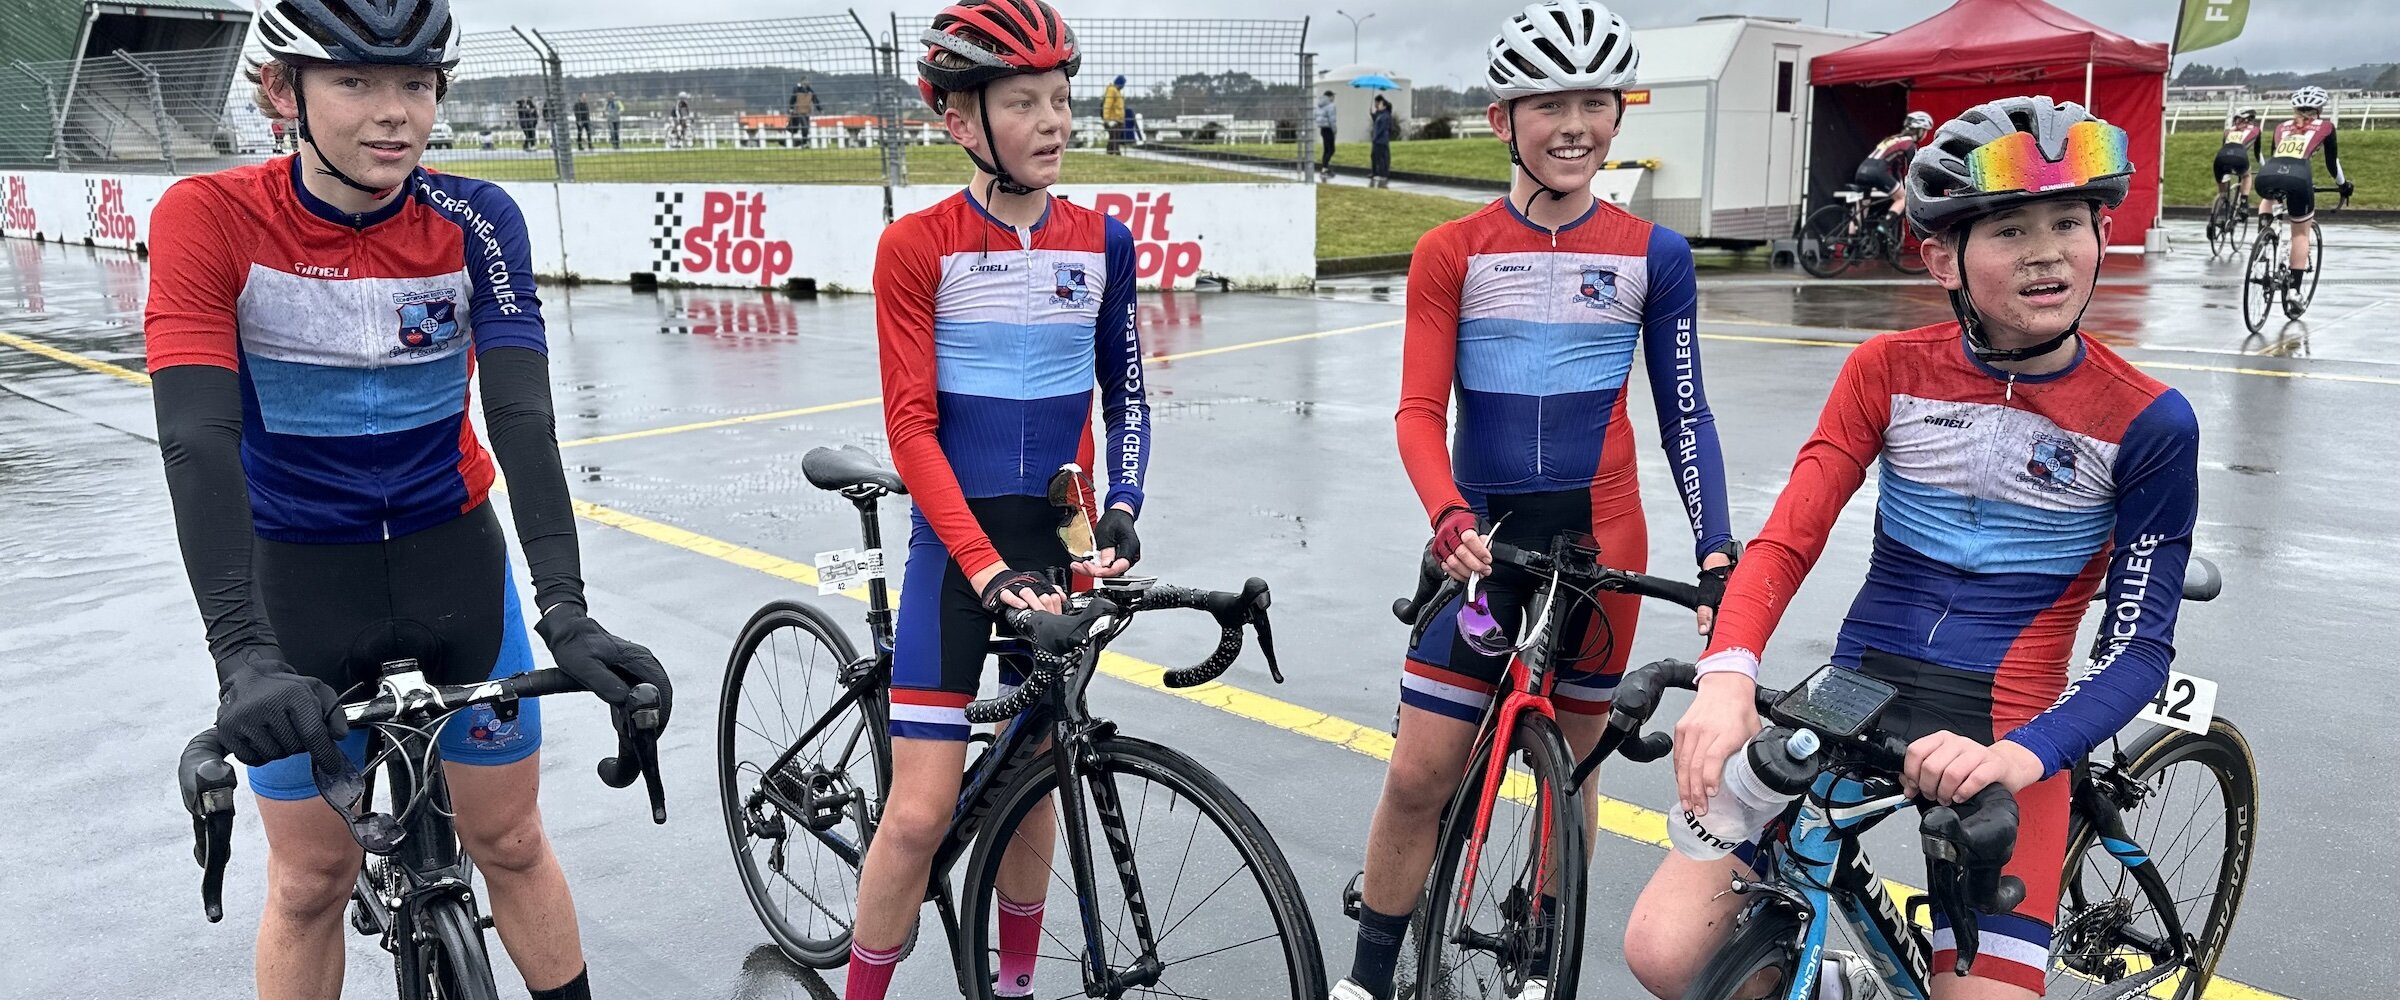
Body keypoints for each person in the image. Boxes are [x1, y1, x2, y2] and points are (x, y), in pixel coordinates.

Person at [144, 3, 674, 999]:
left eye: (417, 84)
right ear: (280, 92)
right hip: (298, 577)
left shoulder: (476, 217)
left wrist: (565, 607)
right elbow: (197, 440)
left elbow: (521, 416)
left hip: (453, 559)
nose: (394, 114)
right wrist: (241, 655)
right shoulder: (209, 217)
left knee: (512, 838)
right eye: (355, 83)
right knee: (309, 879)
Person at [1621, 96, 2199, 1000]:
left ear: (2102, 230)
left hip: (2009, 730)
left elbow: (2139, 650)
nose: (2046, 250)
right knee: (1666, 951)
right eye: (2008, 228)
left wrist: (2018, 759)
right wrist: (1730, 674)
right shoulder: (1886, 370)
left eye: (2068, 222)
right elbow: (1787, 539)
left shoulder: (2150, 420)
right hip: (1855, 693)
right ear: (1941, 257)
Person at [1331, 4, 1737, 999]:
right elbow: (1419, 411)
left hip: (1601, 539)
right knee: (1422, 774)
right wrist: (1447, 514)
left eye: (1596, 100)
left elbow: (1687, 419)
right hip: (1482, 539)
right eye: (1549, 101)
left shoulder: (1653, 254)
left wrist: (1720, 553)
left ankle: (1537, 961)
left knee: (1573, 771)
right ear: (1499, 118)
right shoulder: (1454, 251)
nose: (1576, 124)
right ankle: (1367, 978)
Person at [844, 2, 1150, 999]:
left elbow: (1128, 399)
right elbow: (912, 429)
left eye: (1061, 98)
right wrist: (982, 564)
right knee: (923, 810)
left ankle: (1012, 988)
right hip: (959, 550)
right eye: (1025, 102)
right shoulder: (917, 246)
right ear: (959, 119)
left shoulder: (1103, 243)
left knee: (1033, 789)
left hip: (1055, 539)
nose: (1054, 120)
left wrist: (1120, 512)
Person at [2255, 86, 2353, 289]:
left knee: (2270, 197)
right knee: (2300, 233)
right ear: (2320, 110)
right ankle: (2294, 293)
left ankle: (2264, 236)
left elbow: (2277, 156)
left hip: (2267, 176)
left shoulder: (2281, 127)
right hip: (2298, 178)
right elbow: (2332, 163)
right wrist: (2343, 186)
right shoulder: (2325, 126)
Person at [1855, 109, 1932, 217]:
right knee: (1902, 198)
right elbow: (1912, 170)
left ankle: (1852, 233)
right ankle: (1883, 228)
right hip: (1877, 172)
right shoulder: (1909, 144)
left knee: (1862, 206)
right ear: (1918, 130)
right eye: (1925, 131)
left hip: (1861, 170)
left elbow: (1895, 168)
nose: (1925, 134)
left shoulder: (1892, 139)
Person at [2213, 106, 2262, 205]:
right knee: (2247, 175)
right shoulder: (2255, 130)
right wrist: (2264, 166)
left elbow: (2224, 146)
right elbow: (2257, 153)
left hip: (2220, 158)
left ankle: (2221, 202)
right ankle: (2243, 202)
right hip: (2240, 158)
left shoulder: (2227, 131)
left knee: (2223, 189)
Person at [1368, 94, 1395, 188]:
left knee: (1382, 158)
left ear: (1383, 105)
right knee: (1376, 156)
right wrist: (1372, 114)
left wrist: (1375, 138)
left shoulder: (1385, 115)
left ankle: (1383, 175)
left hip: (1381, 140)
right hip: (1379, 140)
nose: (1377, 105)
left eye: (1379, 104)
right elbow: (1377, 122)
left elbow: (1381, 128)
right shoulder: (1381, 114)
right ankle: (1377, 173)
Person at [1315, 89, 1338, 179]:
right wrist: (1334, 130)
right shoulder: (1331, 106)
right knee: (1331, 150)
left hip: (1322, 129)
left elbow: (1315, 116)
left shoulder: (1320, 105)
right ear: (1329, 97)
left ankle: (1324, 168)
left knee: (1326, 150)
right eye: (1333, 96)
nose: (1334, 98)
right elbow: (1332, 120)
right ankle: (1324, 169)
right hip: (1328, 129)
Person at [787, 75, 815, 147]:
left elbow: (815, 98)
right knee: (804, 126)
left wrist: (820, 109)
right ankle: (803, 142)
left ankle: (804, 142)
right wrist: (791, 108)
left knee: (805, 127)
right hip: (799, 111)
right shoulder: (797, 88)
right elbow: (792, 98)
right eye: (806, 80)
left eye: (807, 81)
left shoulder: (809, 89)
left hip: (806, 112)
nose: (807, 82)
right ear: (802, 81)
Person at [1101, 73, 1126, 154]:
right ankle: (1115, 152)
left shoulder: (1117, 91)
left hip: (1118, 120)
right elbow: (1107, 105)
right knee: (1114, 137)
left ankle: (1111, 153)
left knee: (1115, 137)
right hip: (1113, 120)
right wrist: (1107, 120)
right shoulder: (1112, 90)